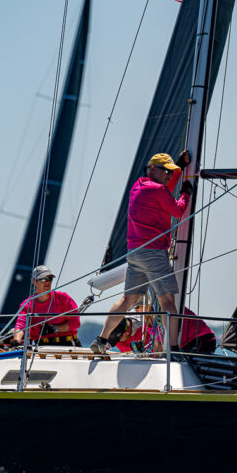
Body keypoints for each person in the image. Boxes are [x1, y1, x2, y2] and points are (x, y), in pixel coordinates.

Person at [91, 150, 193, 354]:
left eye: (169, 171)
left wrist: (178, 169)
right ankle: (173, 349)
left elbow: (163, 192)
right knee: (167, 301)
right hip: (154, 253)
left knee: (128, 300)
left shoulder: (139, 186)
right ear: (153, 169)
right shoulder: (158, 191)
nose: (167, 175)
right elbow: (178, 211)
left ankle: (101, 340)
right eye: (165, 171)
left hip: (134, 253)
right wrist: (186, 194)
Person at [13, 266, 81, 346]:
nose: (47, 282)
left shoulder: (63, 298)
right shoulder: (27, 304)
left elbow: (75, 322)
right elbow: (20, 326)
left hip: (67, 344)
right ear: (34, 281)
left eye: (50, 279)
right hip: (41, 346)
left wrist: (54, 329)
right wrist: (16, 341)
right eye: (43, 279)